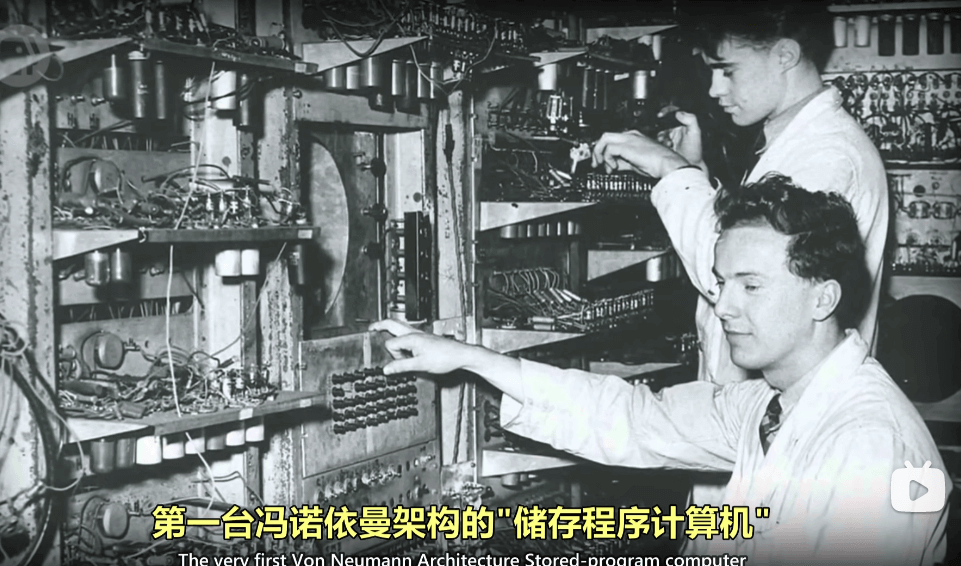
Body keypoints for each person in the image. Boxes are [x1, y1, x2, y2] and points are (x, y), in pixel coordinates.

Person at [371, 175, 949, 565]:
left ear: (823, 298)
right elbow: (639, 417)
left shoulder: (869, 444)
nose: (723, 307)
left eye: (750, 286)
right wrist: (470, 358)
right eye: (721, 283)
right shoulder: (773, 404)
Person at [593, 0, 890, 512]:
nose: (715, 90)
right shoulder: (798, 143)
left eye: (727, 71)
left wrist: (672, 172)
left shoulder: (826, 156)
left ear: (785, 55)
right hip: (758, 418)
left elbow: (743, 275)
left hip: (783, 428)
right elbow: (748, 240)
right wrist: (698, 172)